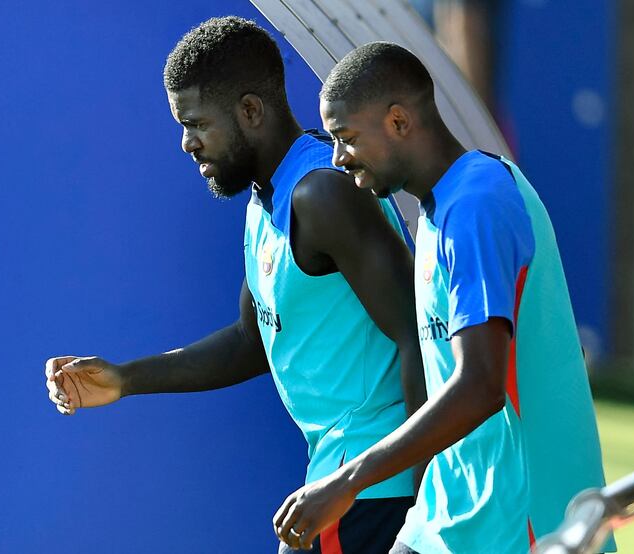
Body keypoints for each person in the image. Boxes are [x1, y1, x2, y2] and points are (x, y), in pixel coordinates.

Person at [45, 19, 427, 553]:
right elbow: (254, 340)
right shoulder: (263, 200)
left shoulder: (323, 195)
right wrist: (125, 378)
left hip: (377, 493)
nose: (186, 143)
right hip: (340, 486)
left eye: (196, 123)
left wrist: (426, 502)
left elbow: (418, 335)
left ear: (250, 112)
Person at [273, 42, 615, 554]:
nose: (339, 158)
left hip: (521, 528)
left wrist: (347, 482)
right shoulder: (440, 208)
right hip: (448, 522)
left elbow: (480, 386)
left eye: (346, 138)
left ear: (398, 122)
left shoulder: (478, 204)